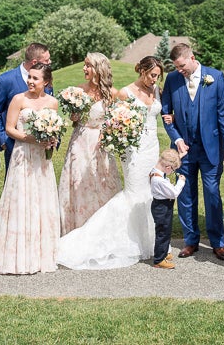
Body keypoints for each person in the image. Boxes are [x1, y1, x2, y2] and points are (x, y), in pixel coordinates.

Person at [57, 55, 164, 269]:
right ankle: (98, 234)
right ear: (142, 71)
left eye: (158, 77)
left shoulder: (153, 90)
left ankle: (147, 240)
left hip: (152, 147)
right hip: (127, 147)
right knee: (132, 191)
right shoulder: (124, 92)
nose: (155, 80)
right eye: (153, 75)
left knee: (150, 192)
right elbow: (117, 119)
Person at [0, 63, 61, 274]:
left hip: (41, 159)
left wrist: (50, 140)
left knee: (40, 200)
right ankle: (15, 253)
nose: (31, 81)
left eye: (36, 78)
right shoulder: (19, 99)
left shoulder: (52, 103)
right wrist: (30, 139)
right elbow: (9, 129)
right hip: (22, 154)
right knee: (20, 199)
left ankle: (41, 254)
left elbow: (54, 130)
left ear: (46, 82)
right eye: (29, 77)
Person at [161, 43, 224, 261]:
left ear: (192, 58)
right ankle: (190, 240)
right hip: (184, 151)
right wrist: (177, 139)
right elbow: (166, 114)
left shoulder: (216, 77)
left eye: (182, 66)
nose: (180, 70)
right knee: (185, 194)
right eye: (176, 67)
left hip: (211, 148)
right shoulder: (173, 80)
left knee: (212, 193)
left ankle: (218, 242)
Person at [58, 52, 121, 234]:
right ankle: (76, 229)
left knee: (100, 185)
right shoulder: (79, 90)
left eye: (88, 65)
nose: (84, 68)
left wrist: (106, 135)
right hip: (80, 142)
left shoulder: (111, 93)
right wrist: (74, 108)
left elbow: (115, 122)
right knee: (78, 183)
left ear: (98, 68)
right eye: (84, 65)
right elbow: (74, 120)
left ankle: (101, 231)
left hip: (100, 145)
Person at [0, 42, 52, 172]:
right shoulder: (6, 80)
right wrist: (3, 141)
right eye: (46, 60)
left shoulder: (46, 80)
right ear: (34, 62)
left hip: (41, 148)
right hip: (15, 145)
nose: (50, 62)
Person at [150, 149, 187, 269]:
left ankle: (165, 251)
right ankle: (159, 259)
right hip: (163, 207)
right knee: (163, 232)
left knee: (164, 231)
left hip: (160, 205)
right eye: (173, 169)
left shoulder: (155, 172)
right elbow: (174, 193)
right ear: (167, 167)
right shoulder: (159, 180)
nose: (173, 172)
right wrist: (181, 182)